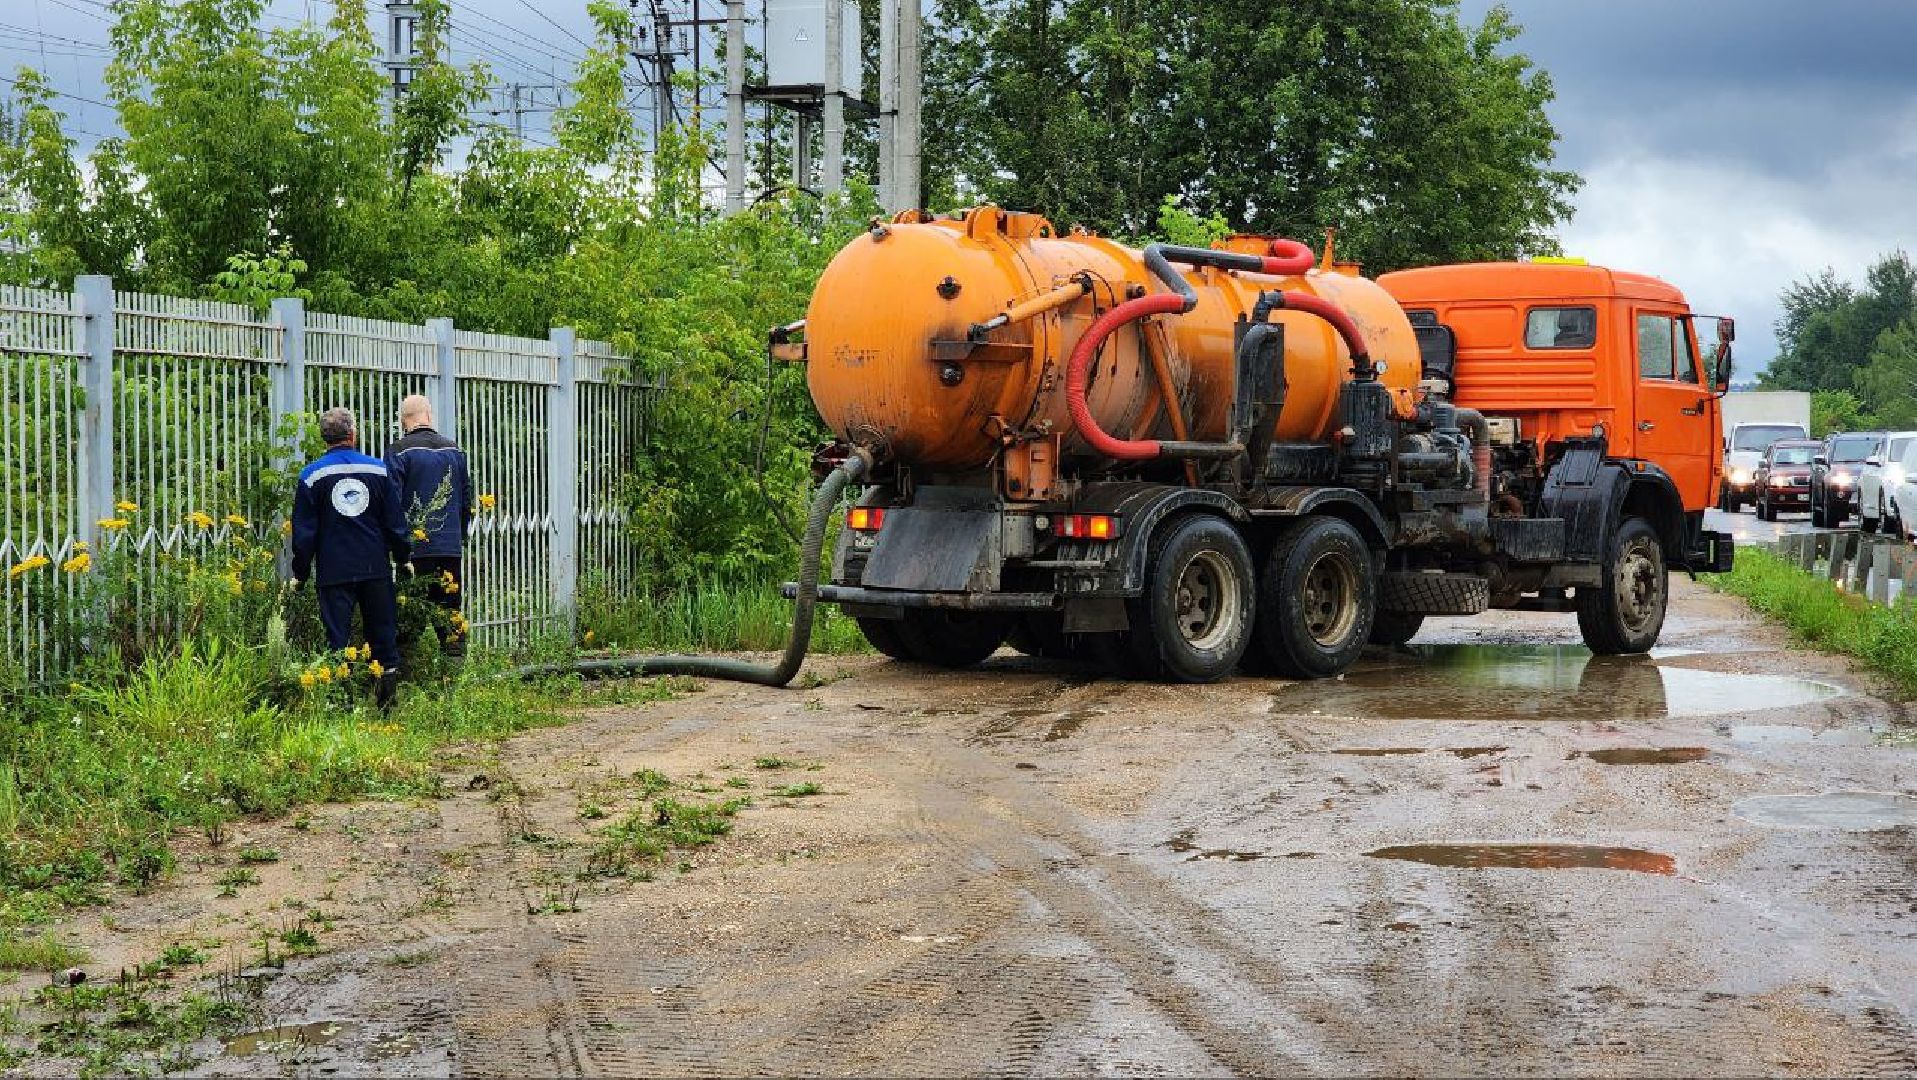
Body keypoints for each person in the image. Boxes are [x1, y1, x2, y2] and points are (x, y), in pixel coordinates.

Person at [291, 407, 410, 708]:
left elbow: (304, 534)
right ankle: (387, 702)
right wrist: (403, 556)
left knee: (337, 637)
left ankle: (341, 703)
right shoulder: (378, 470)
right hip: (375, 567)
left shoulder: (312, 475)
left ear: (323, 438)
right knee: (383, 633)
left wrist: (300, 573)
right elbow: (395, 522)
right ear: (353, 434)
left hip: (334, 570)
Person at [384, 394, 474, 656]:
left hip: (415, 550)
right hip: (449, 547)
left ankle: (409, 672)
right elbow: (465, 497)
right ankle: (455, 673)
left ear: (403, 420)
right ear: (429, 416)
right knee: (451, 612)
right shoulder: (453, 450)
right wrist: (459, 535)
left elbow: (392, 502)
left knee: (411, 612)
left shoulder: (399, 451)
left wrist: (396, 545)